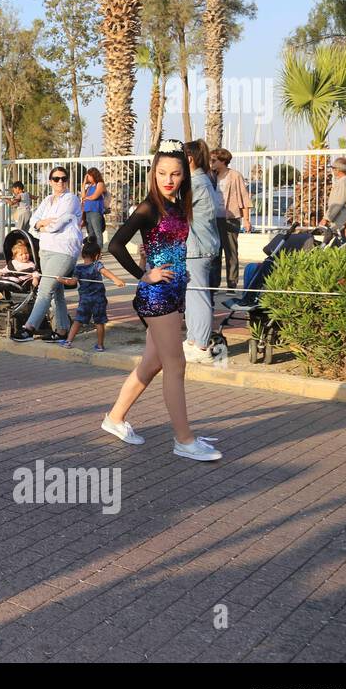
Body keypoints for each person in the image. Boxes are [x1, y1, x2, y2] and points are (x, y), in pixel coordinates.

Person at [103, 143, 222, 462]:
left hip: (174, 293)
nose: (168, 179)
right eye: (162, 173)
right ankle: (184, 440)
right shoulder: (149, 207)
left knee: (152, 364)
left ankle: (114, 418)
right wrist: (143, 274)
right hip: (156, 298)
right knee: (176, 365)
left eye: (175, 174)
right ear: (153, 173)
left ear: (184, 175)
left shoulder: (179, 206)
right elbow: (115, 244)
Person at [16, 167, 81, 342]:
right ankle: (62, 330)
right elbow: (32, 222)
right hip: (45, 250)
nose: (60, 182)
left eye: (63, 178)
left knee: (45, 288)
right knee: (56, 290)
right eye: (56, 178)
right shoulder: (47, 200)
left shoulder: (72, 199)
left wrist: (43, 225)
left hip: (64, 250)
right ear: (50, 181)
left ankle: (29, 328)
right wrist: (41, 224)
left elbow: (57, 224)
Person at [183, 139, 222, 364]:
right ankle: (193, 340)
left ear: (188, 159)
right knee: (193, 295)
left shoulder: (196, 183)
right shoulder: (202, 180)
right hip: (197, 247)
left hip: (197, 248)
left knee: (198, 296)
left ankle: (202, 345)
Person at [61, 236, 124, 351]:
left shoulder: (78, 268)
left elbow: (72, 282)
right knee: (99, 322)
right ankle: (100, 346)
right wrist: (116, 279)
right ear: (96, 255)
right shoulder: (97, 265)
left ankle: (68, 342)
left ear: (82, 255)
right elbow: (105, 272)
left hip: (85, 300)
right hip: (99, 299)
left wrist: (61, 280)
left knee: (78, 320)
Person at [210, 148, 251, 291]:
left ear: (223, 161)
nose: (211, 163)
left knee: (231, 252)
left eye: (214, 160)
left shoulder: (235, 176)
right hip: (213, 219)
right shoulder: (210, 176)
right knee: (215, 252)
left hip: (231, 218)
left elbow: (244, 198)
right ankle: (213, 286)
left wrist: (246, 219)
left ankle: (231, 285)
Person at [320, 156, 346, 232]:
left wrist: (325, 219)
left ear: (337, 169)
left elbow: (337, 204)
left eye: (333, 168)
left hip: (340, 222)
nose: (332, 170)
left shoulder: (342, 184)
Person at [80, 168, 107, 246]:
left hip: (95, 211)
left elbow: (94, 196)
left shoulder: (100, 184)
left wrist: (86, 198)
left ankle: (99, 250)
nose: (88, 178)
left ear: (93, 175)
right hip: (87, 211)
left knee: (97, 231)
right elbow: (83, 196)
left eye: (89, 176)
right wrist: (84, 184)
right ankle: (92, 249)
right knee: (90, 232)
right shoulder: (90, 186)